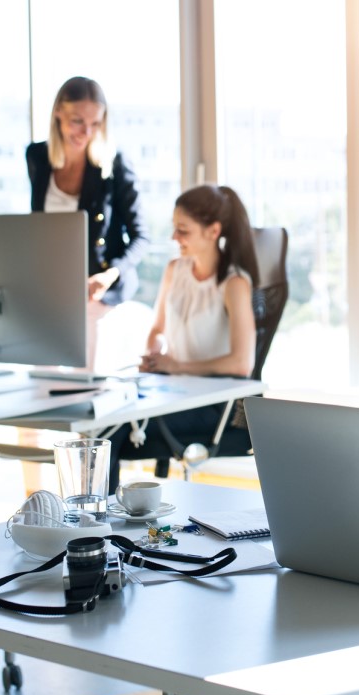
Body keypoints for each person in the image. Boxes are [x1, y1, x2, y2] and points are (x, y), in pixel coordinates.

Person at [109, 184, 260, 490]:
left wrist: (176, 366)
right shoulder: (174, 270)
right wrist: (153, 357)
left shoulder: (233, 284)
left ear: (212, 231)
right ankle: (94, 521)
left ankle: (94, 524)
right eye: (174, 228)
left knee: (111, 432)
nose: (174, 238)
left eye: (183, 230)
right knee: (103, 419)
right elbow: (157, 330)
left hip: (215, 404)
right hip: (172, 392)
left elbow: (241, 363)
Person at [26, 76, 148, 369]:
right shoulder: (38, 157)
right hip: (54, 285)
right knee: (41, 373)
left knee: (86, 377)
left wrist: (110, 275)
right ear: (58, 113)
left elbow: (140, 237)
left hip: (100, 287)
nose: (87, 132)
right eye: (77, 121)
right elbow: (38, 227)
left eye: (96, 124)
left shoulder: (114, 164)